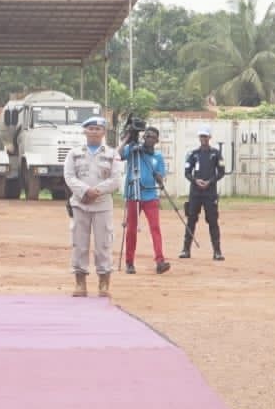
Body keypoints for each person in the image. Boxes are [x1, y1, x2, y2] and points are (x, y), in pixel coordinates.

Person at [61, 115, 120, 296]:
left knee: (103, 244)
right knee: (79, 244)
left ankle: (104, 283)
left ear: (104, 132)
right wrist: (85, 191)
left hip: (102, 205)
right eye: (91, 128)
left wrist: (97, 192)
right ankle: (80, 283)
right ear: (85, 131)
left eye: (98, 129)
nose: (94, 132)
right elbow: (69, 176)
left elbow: (116, 180)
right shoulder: (74, 153)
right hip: (80, 204)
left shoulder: (112, 154)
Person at [120, 124, 170, 275]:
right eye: (146, 136)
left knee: (155, 228)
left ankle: (160, 261)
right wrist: (127, 139)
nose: (148, 139)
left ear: (157, 141)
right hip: (133, 196)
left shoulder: (158, 157)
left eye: (152, 137)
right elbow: (119, 155)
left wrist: (158, 177)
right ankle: (129, 262)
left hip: (150, 197)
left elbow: (161, 179)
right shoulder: (134, 151)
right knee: (131, 230)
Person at [181, 125, 226, 260]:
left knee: (213, 221)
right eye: (201, 136)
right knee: (191, 220)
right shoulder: (193, 154)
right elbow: (187, 173)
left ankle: (217, 251)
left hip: (210, 193)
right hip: (195, 193)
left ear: (209, 138)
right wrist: (196, 181)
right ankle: (185, 249)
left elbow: (221, 172)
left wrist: (210, 181)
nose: (203, 139)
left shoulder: (216, 154)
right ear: (199, 138)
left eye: (205, 136)